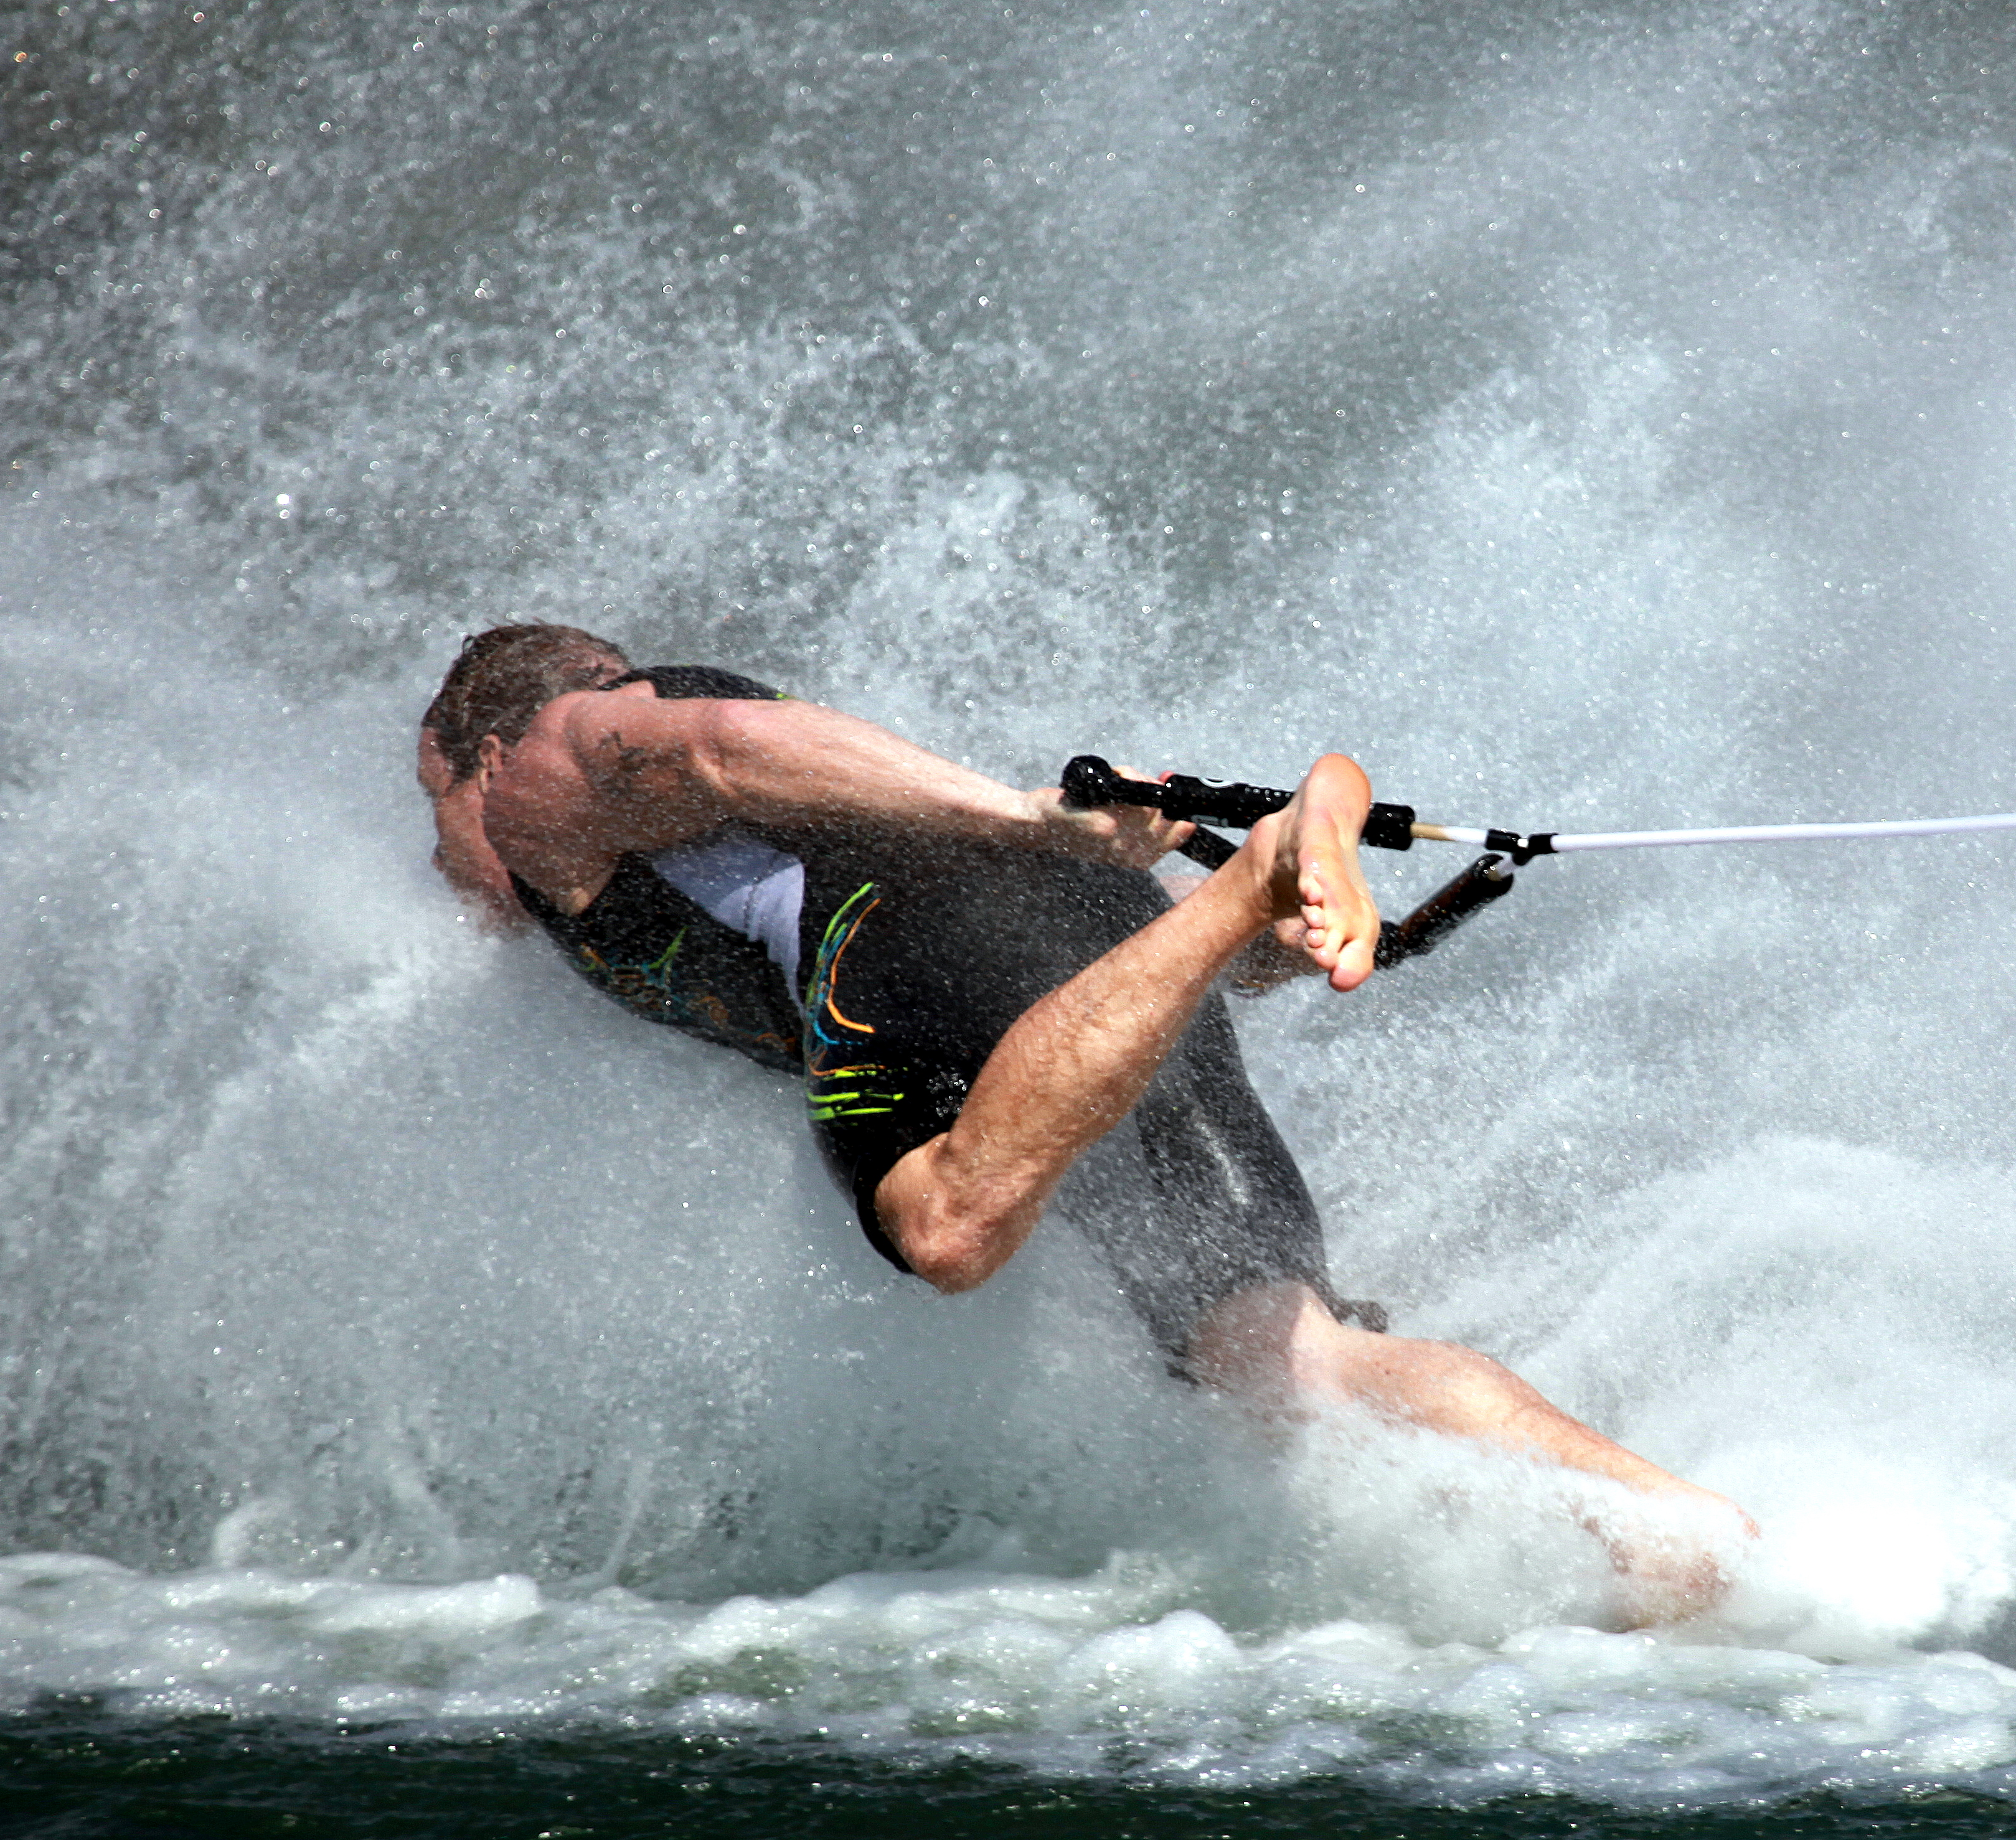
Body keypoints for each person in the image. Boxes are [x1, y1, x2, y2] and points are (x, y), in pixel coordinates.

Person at [418, 622, 1753, 1624]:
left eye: (434, 808)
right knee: (1282, 1366)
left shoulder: (556, 769)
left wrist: (1019, 814)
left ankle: (1236, 888)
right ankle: (1685, 1545)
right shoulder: (650, 864)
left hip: (914, 955)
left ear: (485, 753)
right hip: (1061, 960)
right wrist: (1259, 943)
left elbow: (721, 742)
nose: (435, 859)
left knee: (944, 1225)